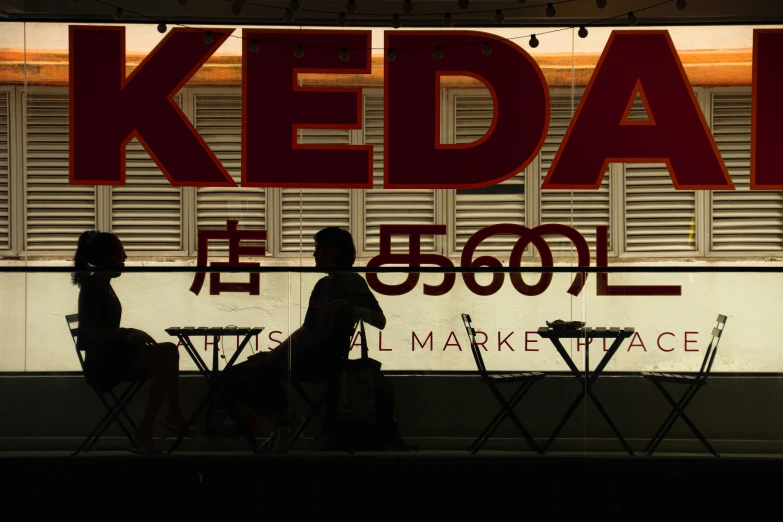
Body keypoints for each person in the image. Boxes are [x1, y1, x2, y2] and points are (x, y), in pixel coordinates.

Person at [221, 227, 386, 452]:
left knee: (250, 372)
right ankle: (284, 423)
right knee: (235, 375)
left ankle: (286, 424)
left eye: (319, 248)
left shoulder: (352, 282)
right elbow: (306, 328)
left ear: (334, 251)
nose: (314, 254)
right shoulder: (322, 285)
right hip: (305, 353)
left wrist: (350, 308)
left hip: (324, 360)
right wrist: (277, 352)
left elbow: (380, 320)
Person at [72, 230, 198, 454]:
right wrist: (127, 334)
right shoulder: (94, 288)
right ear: (105, 257)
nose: (125, 258)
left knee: (166, 357)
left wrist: (129, 337)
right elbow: (90, 334)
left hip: (110, 358)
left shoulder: (101, 286)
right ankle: (165, 419)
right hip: (104, 366)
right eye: (120, 252)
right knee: (168, 352)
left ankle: (154, 425)